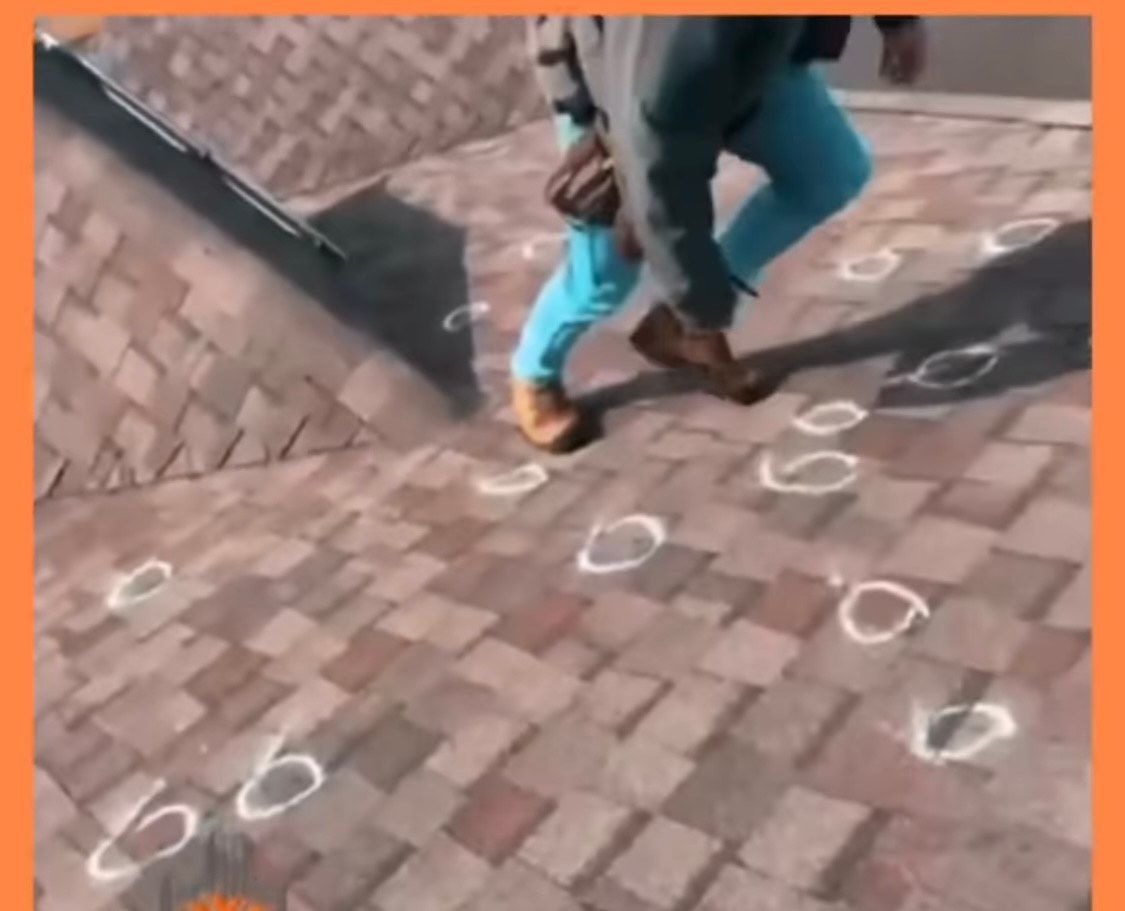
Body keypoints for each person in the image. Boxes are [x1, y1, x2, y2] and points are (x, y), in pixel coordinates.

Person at [510, 15, 928, 452]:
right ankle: (535, 371)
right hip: (613, 90)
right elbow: (657, 165)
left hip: (749, 54)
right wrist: (703, 308)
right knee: (609, 271)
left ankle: (676, 325)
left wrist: (896, 19)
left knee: (830, 169)